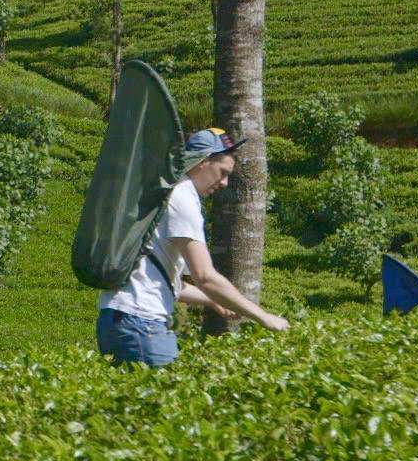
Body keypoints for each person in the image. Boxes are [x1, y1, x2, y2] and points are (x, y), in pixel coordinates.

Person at [97, 127, 290, 367]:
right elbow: (205, 276)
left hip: (116, 319)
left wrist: (212, 301)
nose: (224, 183)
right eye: (222, 172)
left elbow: (168, 284)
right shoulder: (183, 197)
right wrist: (262, 316)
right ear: (202, 162)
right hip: (142, 325)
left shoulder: (165, 192)